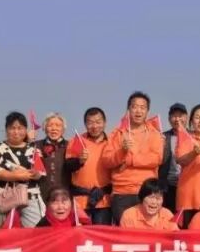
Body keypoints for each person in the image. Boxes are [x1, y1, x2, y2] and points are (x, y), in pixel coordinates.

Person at [103, 91, 165, 225]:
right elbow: (106, 161)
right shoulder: (117, 133)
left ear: (147, 111)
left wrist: (129, 160)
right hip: (122, 192)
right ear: (128, 110)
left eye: (142, 107)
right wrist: (122, 151)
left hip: (147, 192)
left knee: (146, 231)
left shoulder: (154, 134)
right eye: (135, 107)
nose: (138, 111)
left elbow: (156, 159)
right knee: (125, 231)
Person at [0, 111, 46, 227]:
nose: (16, 132)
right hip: (4, 197)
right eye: (12, 128)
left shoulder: (34, 149)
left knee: (35, 231)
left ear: (25, 130)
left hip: (30, 198)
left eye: (20, 128)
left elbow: (40, 173)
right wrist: (18, 176)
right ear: (6, 130)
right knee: (0, 231)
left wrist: (35, 173)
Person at [65, 107, 113, 225]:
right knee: (80, 234)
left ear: (105, 122)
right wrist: (79, 161)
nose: (94, 126)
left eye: (98, 122)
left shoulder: (112, 142)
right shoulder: (76, 141)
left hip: (104, 200)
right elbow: (68, 166)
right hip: (80, 200)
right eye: (90, 123)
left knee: (101, 235)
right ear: (85, 124)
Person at [159, 103, 188, 213]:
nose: (177, 119)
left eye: (180, 116)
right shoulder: (163, 137)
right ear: (169, 118)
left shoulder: (193, 136)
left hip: (187, 185)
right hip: (168, 186)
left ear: (186, 117)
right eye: (174, 116)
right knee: (168, 216)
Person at [33, 113, 70, 198]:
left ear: (63, 129)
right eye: (50, 125)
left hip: (64, 194)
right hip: (41, 194)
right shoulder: (36, 145)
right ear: (44, 128)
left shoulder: (69, 145)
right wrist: (27, 140)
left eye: (58, 125)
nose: (54, 128)